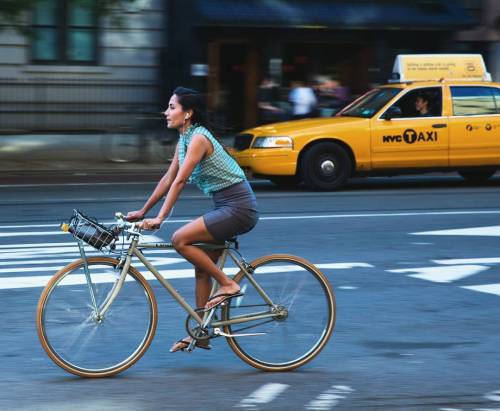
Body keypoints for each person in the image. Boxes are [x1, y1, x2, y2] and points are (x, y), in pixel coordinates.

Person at [126, 87, 259, 353]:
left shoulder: (198, 138)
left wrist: (160, 218)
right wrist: (143, 211)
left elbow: (180, 181)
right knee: (201, 269)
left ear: (188, 114)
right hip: (224, 206)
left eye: (172, 107)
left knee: (180, 239)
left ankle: (229, 284)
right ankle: (202, 333)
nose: (166, 112)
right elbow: (167, 179)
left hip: (239, 208)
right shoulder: (184, 140)